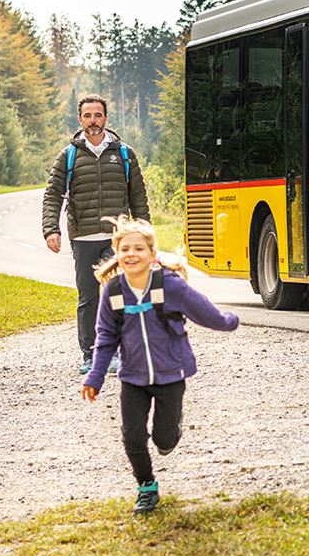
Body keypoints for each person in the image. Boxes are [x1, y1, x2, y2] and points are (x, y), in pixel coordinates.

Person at [81, 216, 239, 514]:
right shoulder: (113, 292)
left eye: (138, 248)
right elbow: (105, 339)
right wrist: (95, 377)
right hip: (133, 378)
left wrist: (228, 322)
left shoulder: (170, 286)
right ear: (117, 254)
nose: (131, 254)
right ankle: (146, 486)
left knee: (164, 439)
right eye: (124, 248)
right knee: (133, 436)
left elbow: (203, 311)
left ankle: (171, 430)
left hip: (171, 374)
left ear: (152, 255)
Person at [42, 94, 151, 375]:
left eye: (98, 115)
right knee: (88, 299)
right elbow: (52, 195)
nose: (93, 121)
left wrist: (144, 237)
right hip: (83, 239)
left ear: (106, 118)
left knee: (119, 295)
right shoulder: (68, 156)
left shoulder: (124, 154)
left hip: (118, 239)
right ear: (80, 119)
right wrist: (51, 230)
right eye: (88, 116)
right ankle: (90, 356)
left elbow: (138, 196)